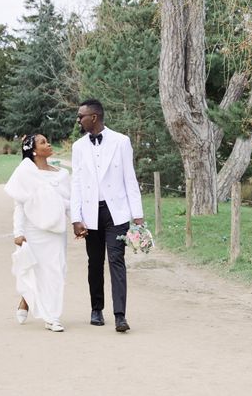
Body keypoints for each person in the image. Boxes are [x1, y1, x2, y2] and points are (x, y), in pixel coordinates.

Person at [71, 99, 143, 333]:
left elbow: (129, 179)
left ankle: (120, 315)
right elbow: (76, 183)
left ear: (94, 117)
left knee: (116, 260)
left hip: (116, 212)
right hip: (90, 213)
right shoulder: (78, 147)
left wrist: (137, 215)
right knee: (94, 262)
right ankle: (96, 309)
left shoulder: (121, 142)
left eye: (81, 116)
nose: (78, 120)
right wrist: (75, 217)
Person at [4, 134, 70, 333]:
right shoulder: (24, 172)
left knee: (56, 271)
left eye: (47, 141)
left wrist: (78, 223)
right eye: (43, 142)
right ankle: (33, 304)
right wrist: (18, 232)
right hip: (34, 230)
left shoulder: (62, 175)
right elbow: (20, 206)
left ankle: (52, 316)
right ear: (33, 150)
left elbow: (69, 203)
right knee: (35, 269)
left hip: (56, 230)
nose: (48, 144)